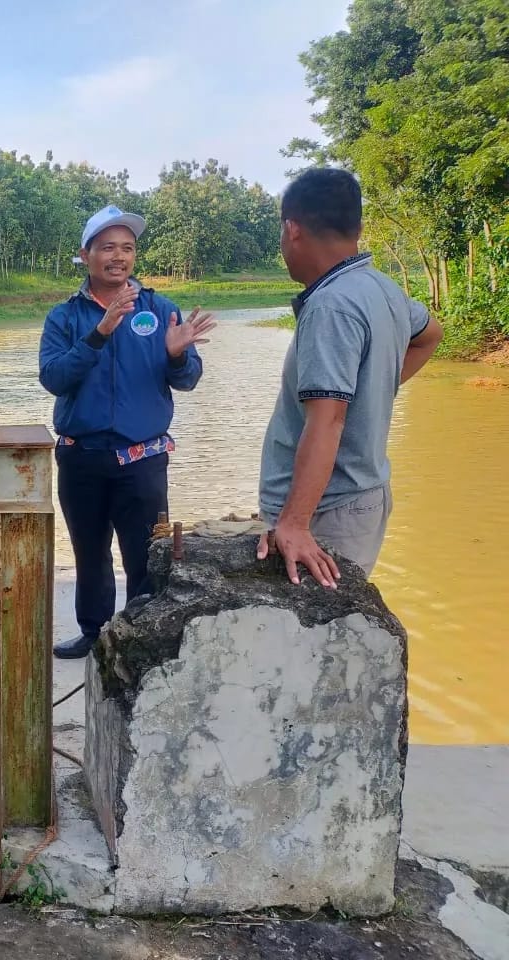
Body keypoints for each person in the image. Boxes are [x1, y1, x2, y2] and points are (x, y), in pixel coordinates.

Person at [39, 205, 216, 659]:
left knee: (145, 554)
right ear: (86, 255)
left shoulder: (160, 310)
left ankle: (141, 639)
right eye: (107, 248)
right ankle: (94, 633)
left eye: (127, 248)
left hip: (143, 459)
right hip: (81, 458)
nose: (118, 257)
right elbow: (54, 378)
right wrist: (99, 332)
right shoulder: (65, 317)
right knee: (90, 551)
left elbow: (189, 379)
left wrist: (177, 355)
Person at [257, 168, 443, 586]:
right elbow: (431, 335)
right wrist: (377, 390)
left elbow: (328, 419)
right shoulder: (381, 288)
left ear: (293, 229)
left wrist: (295, 523)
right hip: (363, 496)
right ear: (356, 228)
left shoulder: (331, 306)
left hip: (329, 510)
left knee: (310, 639)